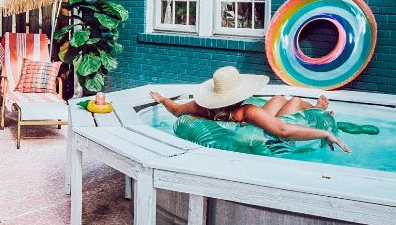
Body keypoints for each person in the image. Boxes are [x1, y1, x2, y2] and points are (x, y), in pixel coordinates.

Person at [150, 66, 351, 153]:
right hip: (262, 134)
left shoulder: (200, 107)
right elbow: (284, 131)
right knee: (295, 101)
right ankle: (318, 109)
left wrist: (161, 99)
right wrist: (324, 133)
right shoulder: (247, 111)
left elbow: (176, 110)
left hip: (240, 126)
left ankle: (316, 107)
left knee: (279, 98)